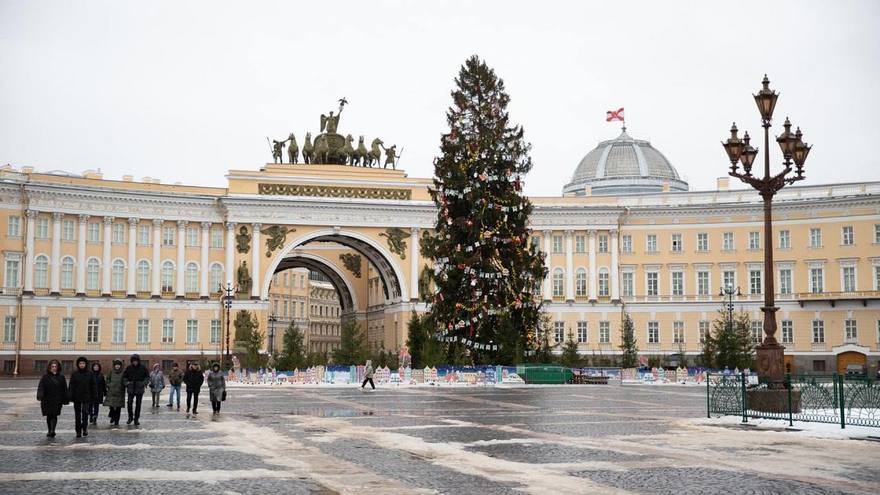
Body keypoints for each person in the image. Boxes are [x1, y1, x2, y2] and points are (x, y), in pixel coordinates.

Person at [37, 359, 67, 438]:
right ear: (49, 367)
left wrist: (65, 398)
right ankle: (49, 430)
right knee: (49, 415)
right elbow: (41, 387)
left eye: (55, 366)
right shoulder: (45, 377)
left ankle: (53, 430)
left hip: (57, 399)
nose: (54, 368)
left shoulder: (61, 377)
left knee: (54, 414)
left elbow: (64, 388)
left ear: (58, 367)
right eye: (52, 366)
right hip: (47, 399)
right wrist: (40, 395)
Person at [67, 356, 97, 438]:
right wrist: (70, 395)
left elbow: (93, 385)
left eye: (83, 363)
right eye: (80, 363)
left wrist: (94, 395)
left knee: (85, 412)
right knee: (77, 415)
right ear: (78, 364)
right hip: (76, 397)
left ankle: (84, 429)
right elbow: (71, 386)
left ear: (86, 364)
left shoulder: (90, 374)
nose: (82, 365)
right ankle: (78, 431)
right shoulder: (75, 374)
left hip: (87, 396)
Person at [122, 353, 149, 425]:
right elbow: (124, 377)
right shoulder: (129, 368)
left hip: (139, 388)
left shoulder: (143, 368)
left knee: (138, 404)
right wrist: (126, 383)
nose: (135, 362)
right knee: (129, 403)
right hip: (131, 387)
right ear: (131, 361)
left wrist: (143, 383)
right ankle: (130, 417)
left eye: (136, 361)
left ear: (138, 361)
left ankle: (136, 419)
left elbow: (147, 377)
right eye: (133, 361)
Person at [104, 359, 125, 426]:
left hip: (120, 391)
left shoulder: (123, 372)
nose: (117, 366)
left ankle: (116, 421)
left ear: (120, 366)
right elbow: (107, 379)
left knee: (118, 407)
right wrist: (108, 385)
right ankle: (112, 416)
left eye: (118, 365)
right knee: (111, 406)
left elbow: (125, 380)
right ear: (114, 365)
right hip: (111, 391)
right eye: (116, 365)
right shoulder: (111, 371)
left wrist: (124, 385)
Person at [89, 361, 107, 425]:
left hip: (98, 393)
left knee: (96, 406)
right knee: (90, 406)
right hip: (91, 393)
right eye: (95, 366)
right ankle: (91, 416)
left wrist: (105, 392)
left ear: (99, 367)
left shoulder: (101, 375)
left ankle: (95, 417)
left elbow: (103, 384)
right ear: (93, 367)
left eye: (97, 366)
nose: (96, 368)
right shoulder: (90, 374)